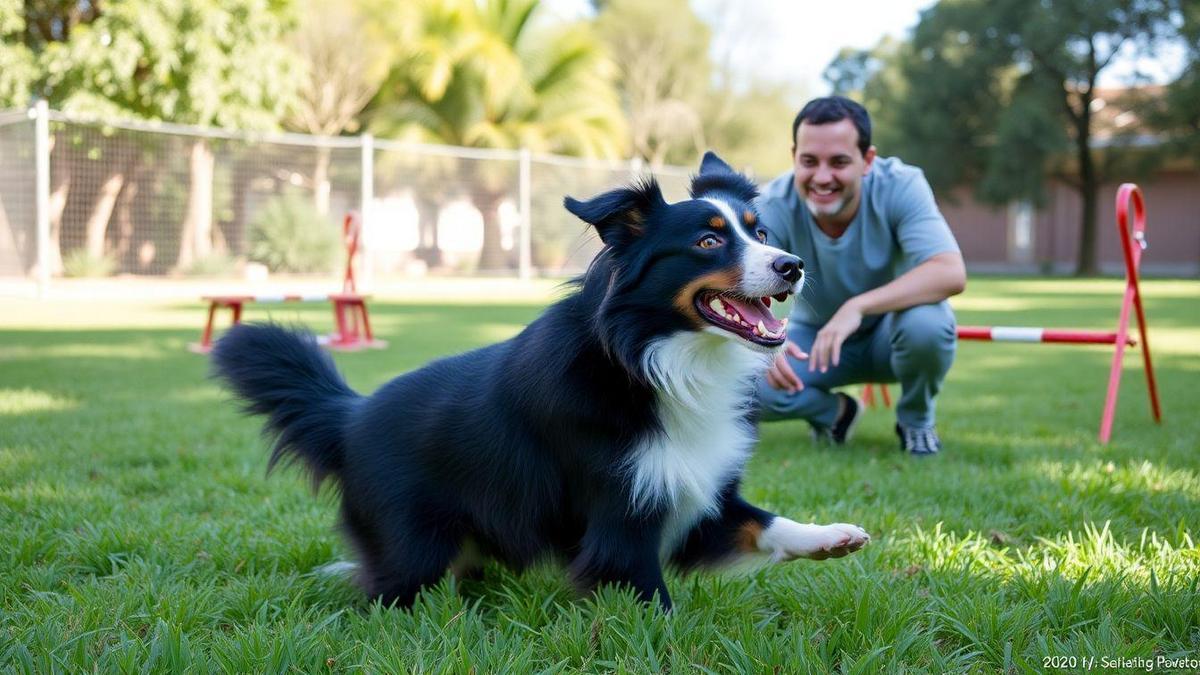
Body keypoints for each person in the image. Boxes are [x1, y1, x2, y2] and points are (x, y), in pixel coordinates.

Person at [755, 96, 966, 456]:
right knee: (744, 384)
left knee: (929, 324)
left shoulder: (902, 184)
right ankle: (835, 414)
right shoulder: (771, 203)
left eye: (838, 162)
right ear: (794, 156)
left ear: (867, 160)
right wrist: (765, 339)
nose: (822, 177)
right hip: (815, 343)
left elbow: (949, 272)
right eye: (809, 161)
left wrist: (858, 307)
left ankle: (916, 420)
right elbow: (737, 282)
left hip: (893, 336)